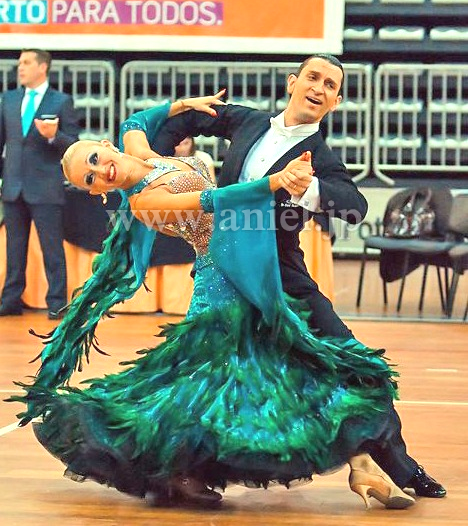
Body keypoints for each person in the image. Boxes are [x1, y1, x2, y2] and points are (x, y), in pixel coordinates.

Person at [9, 96, 416, 511]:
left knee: (290, 368)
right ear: (96, 193)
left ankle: (361, 465)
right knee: (221, 386)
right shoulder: (143, 203)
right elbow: (215, 202)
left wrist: (181, 105)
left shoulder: (140, 151)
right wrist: (276, 182)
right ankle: (178, 467)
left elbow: (136, 120)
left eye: (94, 160)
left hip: (248, 268)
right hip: (223, 283)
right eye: (90, 178)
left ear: (105, 145)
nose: (100, 171)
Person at [151, 54, 446, 500]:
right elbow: (187, 119)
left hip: (282, 272)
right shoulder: (247, 121)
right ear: (293, 82)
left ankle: (401, 468)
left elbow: (355, 206)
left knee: (356, 364)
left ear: (336, 101)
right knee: (209, 372)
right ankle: (181, 469)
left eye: (330, 85)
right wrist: (157, 159)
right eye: (313, 77)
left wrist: (309, 189)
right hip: (225, 269)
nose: (318, 88)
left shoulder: (321, 157)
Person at [0, 49, 80, 319]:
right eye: (19, 63)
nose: (20, 67)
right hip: (13, 185)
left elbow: (73, 145)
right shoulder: (9, 99)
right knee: (14, 249)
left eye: (26, 62)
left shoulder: (61, 101)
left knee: (52, 249)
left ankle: (57, 303)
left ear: (42, 67)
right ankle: (10, 300)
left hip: (46, 187)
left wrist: (54, 136)